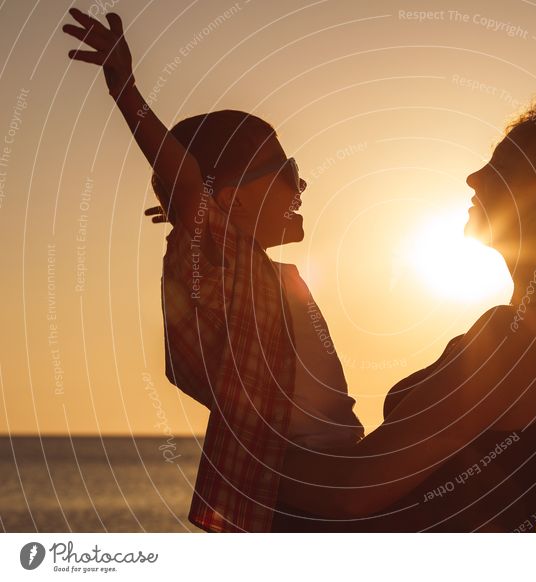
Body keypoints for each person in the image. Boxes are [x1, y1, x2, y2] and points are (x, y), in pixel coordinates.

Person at [272, 106, 536, 532]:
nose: (474, 178)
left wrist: (252, 460)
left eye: (501, 167)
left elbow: (352, 494)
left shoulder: (515, 341)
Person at [63, 8, 363, 533]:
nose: (300, 187)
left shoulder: (270, 275)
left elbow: (195, 195)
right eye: (286, 171)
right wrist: (126, 92)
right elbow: (188, 184)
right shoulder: (230, 262)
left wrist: (192, 214)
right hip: (303, 491)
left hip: (340, 472)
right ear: (231, 202)